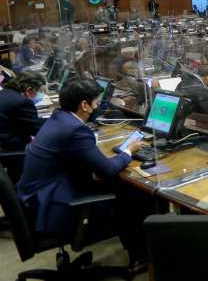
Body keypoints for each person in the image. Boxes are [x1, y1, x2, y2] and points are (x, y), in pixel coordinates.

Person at [16, 78, 149, 272]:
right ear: (84, 105)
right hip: (51, 206)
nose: (98, 107)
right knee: (131, 192)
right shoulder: (75, 129)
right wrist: (128, 151)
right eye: (96, 103)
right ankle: (141, 256)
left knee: (116, 184)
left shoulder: (59, 118)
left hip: (34, 198)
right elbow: (109, 170)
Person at [0, 71, 47, 151]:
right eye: (38, 91)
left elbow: (28, 122)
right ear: (29, 90)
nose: (39, 94)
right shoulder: (23, 102)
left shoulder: (4, 92)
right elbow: (36, 129)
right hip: (9, 149)